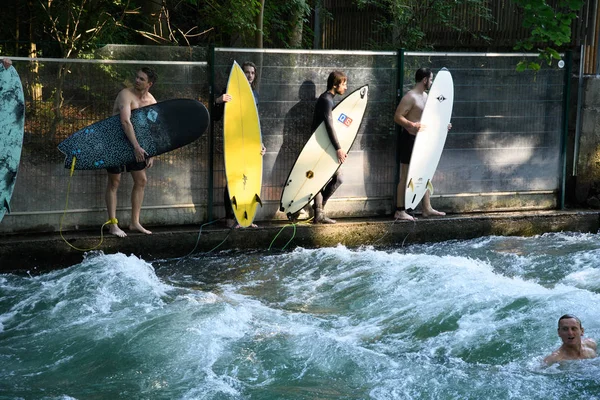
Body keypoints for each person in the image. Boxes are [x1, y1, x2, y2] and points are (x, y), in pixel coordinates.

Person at [105, 67, 157, 237]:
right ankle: (113, 224)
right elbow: (125, 122)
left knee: (141, 180)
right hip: (115, 141)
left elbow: (153, 128)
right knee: (115, 182)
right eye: (136, 77)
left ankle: (134, 222)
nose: (137, 80)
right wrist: (136, 147)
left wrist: (153, 152)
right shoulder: (125, 95)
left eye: (142, 79)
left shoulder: (151, 101)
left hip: (136, 144)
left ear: (149, 84)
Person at [214, 61, 266, 228]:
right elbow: (215, 116)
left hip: (251, 144)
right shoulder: (228, 91)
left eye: (252, 72)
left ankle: (245, 217)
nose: (249, 75)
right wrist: (218, 101)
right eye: (246, 72)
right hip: (234, 141)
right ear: (241, 74)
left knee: (249, 177)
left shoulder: (255, 95)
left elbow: (255, 123)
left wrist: (261, 143)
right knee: (233, 177)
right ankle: (231, 217)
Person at [394, 67, 449, 221]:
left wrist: (444, 125)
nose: (431, 82)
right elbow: (397, 117)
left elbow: (430, 118)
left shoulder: (427, 97)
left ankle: (426, 208)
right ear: (425, 80)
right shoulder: (410, 97)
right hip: (409, 140)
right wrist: (412, 124)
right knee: (406, 176)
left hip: (423, 141)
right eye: (430, 79)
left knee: (425, 174)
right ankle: (399, 211)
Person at [308, 70, 348, 224]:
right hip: (320, 147)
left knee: (337, 178)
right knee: (332, 177)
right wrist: (338, 148)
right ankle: (319, 212)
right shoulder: (326, 100)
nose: (345, 87)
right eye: (343, 83)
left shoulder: (329, 99)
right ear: (335, 84)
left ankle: (319, 210)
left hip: (324, 145)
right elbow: (329, 126)